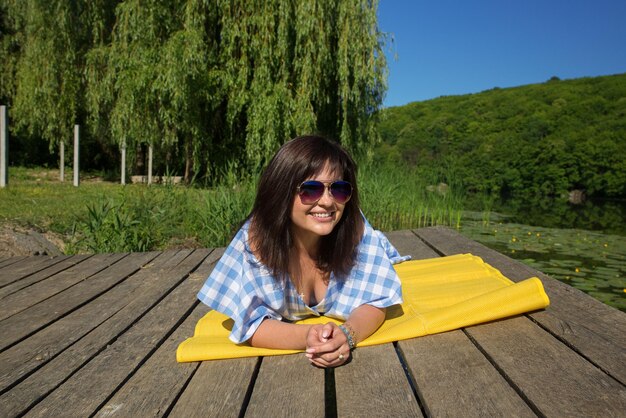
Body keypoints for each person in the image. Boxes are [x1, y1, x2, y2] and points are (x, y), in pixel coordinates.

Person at [197, 135, 409, 367]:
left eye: (338, 189)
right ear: (281, 191)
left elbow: (377, 299)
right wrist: (309, 337)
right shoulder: (257, 242)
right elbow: (250, 324)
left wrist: (347, 335)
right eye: (310, 189)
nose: (328, 202)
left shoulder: (354, 228)